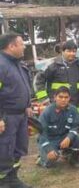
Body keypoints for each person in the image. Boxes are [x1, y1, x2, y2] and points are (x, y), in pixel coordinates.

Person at [0, 33, 32, 188]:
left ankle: (12, 179)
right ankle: (3, 181)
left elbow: (21, 87)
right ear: (11, 46)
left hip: (21, 115)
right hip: (7, 117)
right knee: (5, 149)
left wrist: (27, 105)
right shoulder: (1, 65)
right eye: (22, 44)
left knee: (19, 148)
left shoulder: (17, 63)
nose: (24, 46)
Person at [37, 87, 79, 167]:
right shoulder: (47, 112)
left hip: (64, 138)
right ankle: (41, 159)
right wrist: (49, 150)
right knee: (50, 163)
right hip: (50, 140)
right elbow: (42, 133)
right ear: (55, 97)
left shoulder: (73, 110)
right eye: (60, 97)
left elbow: (75, 127)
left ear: (69, 98)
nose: (63, 100)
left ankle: (72, 158)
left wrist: (69, 137)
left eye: (66, 97)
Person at [35, 40, 79, 113]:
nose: (72, 54)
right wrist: (44, 100)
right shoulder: (52, 64)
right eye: (69, 51)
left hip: (75, 109)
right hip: (56, 108)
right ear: (63, 51)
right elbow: (38, 81)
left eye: (74, 51)